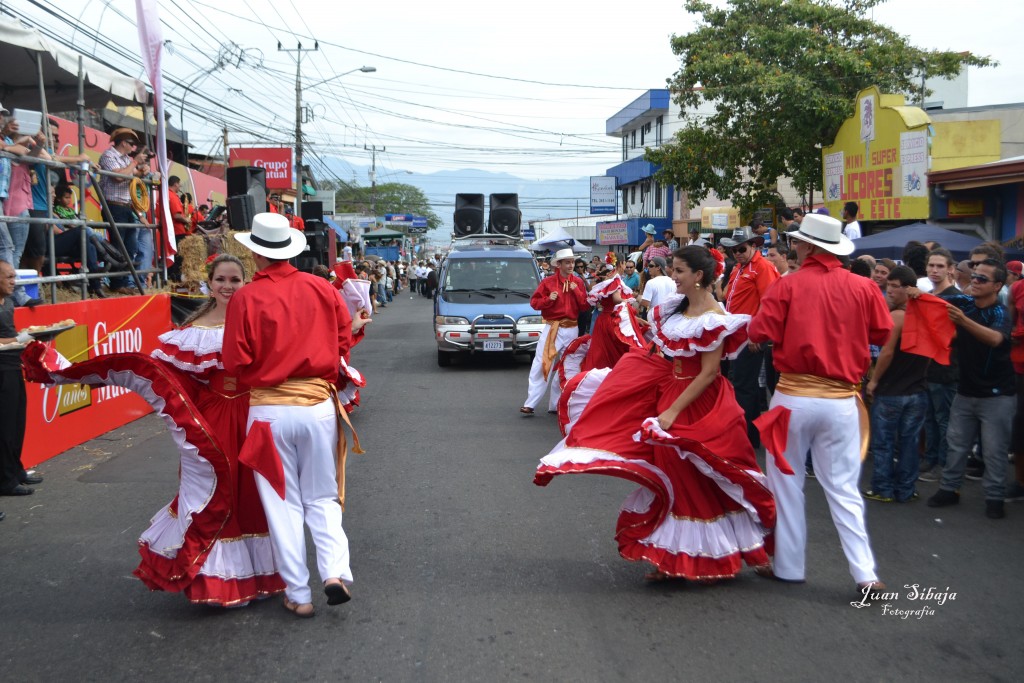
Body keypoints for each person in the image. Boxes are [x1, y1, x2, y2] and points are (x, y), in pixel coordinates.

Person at [21, 255, 289, 604]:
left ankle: (264, 574)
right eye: (221, 279)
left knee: (256, 491)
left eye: (235, 280)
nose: (228, 286)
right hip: (213, 422)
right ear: (209, 283)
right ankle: (216, 580)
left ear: (246, 282)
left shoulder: (259, 319)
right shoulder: (194, 330)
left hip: (256, 415)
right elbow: (164, 375)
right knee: (217, 490)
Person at [534, 245, 775, 581]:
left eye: (678, 271)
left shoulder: (717, 319)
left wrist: (671, 413)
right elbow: (660, 354)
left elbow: (708, 373)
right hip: (671, 396)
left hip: (700, 404)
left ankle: (747, 547)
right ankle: (670, 555)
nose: (672, 277)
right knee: (673, 477)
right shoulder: (674, 311)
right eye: (673, 270)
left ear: (698, 276)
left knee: (716, 475)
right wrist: (625, 377)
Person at [222, 213, 371, 618]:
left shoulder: (245, 298)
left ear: (254, 252)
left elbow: (234, 361)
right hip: (317, 405)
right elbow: (344, 340)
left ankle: (298, 594)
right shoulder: (321, 287)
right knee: (322, 496)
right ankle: (335, 572)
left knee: (282, 502)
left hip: (268, 411)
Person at [749, 213, 892, 595]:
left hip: (793, 396)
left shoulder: (787, 286)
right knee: (844, 487)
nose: (793, 246)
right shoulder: (864, 287)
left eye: (797, 241)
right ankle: (865, 573)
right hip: (842, 398)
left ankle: (789, 566)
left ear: (809, 246)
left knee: (787, 484)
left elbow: (759, 332)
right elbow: (882, 331)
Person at [925, 258, 1014, 519]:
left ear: (997, 285)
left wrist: (963, 322)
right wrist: (914, 292)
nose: (975, 281)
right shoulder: (964, 302)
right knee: (956, 444)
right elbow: (936, 302)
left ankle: (995, 498)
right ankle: (949, 489)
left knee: (995, 450)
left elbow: (996, 339)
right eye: (974, 276)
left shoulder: (999, 312)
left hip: (997, 394)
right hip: (965, 389)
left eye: (982, 279)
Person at [862, 266, 930, 503]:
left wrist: (874, 380)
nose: (889, 290)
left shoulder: (898, 317)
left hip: (892, 389)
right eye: (888, 285)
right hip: (918, 388)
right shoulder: (925, 312)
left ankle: (883, 488)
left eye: (895, 286)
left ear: (908, 288)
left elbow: (887, 353)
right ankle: (906, 488)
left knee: (884, 442)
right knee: (909, 443)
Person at [720, 226, 780, 449]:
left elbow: (769, 302)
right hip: (736, 334)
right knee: (746, 385)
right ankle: (750, 435)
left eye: (741, 248)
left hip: (749, 336)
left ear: (753, 246)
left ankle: (744, 436)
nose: (737, 252)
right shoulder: (739, 268)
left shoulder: (762, 267)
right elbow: (726, 295)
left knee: (743, 385)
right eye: (733, 249)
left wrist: (758, 334)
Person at [520, 248, 587, 416]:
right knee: (542, 364)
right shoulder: (548, 282)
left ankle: (557, 403)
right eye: (568, 262)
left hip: (572, 328)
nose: (571, 265)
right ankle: (530, 403)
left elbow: (585, 306)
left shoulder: (578, 283)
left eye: (572, 262)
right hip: (552, 327)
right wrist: (547, 300)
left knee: (569, 366)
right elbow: (534, 303)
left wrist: (576, 291)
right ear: (559, 265)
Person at [0, 261, 43, 499]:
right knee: (5, 428)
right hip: (1, 372)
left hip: (14, 367)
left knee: (17, 423)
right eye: (8, 278)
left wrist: (22, 338)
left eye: (14, 277)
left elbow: (8, 337)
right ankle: (6, 480)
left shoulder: (9, 304)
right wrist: (20, 338)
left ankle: (15, 471)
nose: (13, 282)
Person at [98, 128, 146, 293]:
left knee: (130, 247)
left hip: (126, 206)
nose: (133, 148)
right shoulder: (108, 155)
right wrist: (135, 163)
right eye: (131, 144)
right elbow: (119, 177)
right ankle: (117, 283)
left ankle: (124, 282)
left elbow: (132, 176)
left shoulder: (126, 159)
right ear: (123, 142)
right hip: (113, 206)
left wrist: (141, 171)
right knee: (118, 247)